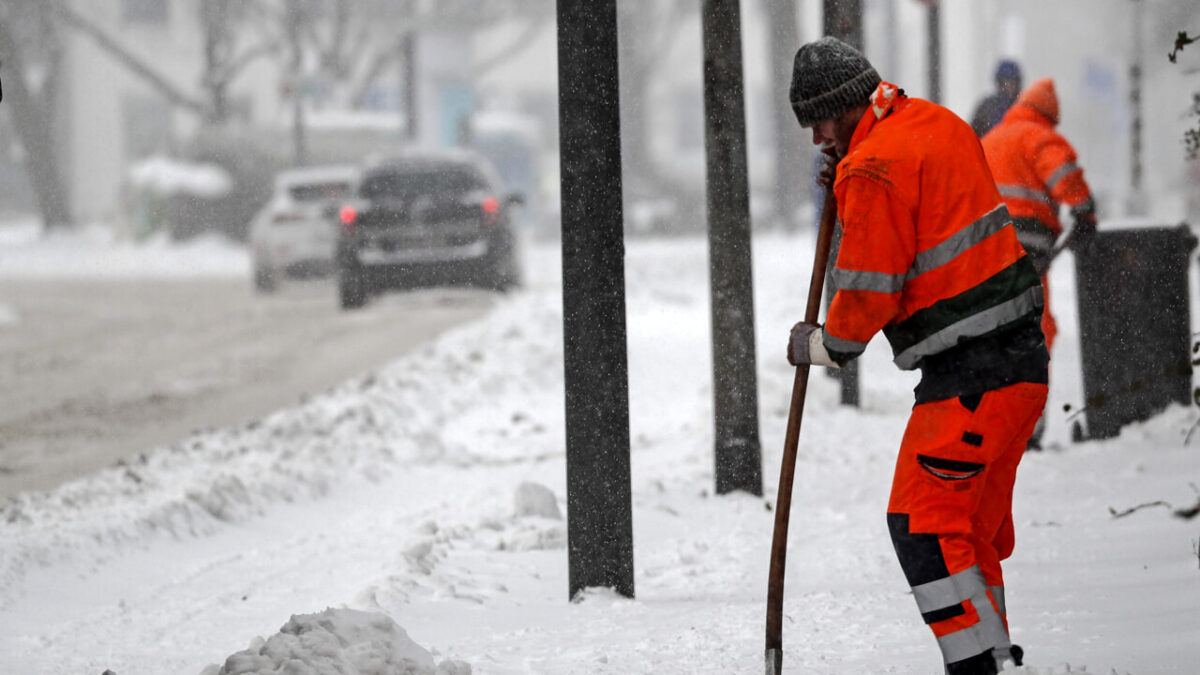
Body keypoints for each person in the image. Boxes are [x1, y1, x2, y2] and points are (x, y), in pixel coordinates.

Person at [786, 37, 1049, 674]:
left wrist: (820, 345)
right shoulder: (933, 123)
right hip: (1019, 367)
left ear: (847, 105)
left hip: (972, 374)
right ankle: (997, 661)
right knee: (968, 535)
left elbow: (868, 291)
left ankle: (977, 667)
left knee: (924, 526)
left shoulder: (874, 166)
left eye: (821, 120)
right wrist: (851, 174)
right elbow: (924, 212)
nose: (818, 136)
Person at [980, 77, 1097, 449]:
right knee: (1034, 329)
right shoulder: (1039, 136)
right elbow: (1063, 174)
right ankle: (1026, 425)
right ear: (1049, 115)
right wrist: (1084, 210)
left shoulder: (992, 139)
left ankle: (988, 418)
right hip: (1026, 243)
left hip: (982, 246)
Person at [971, 60, 1022, 137]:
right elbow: (974, 133)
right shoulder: (987, 107)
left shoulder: (1023, 105)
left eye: (1013, 82)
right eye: (1006, 82)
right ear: (999, 83)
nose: (1010, 86)